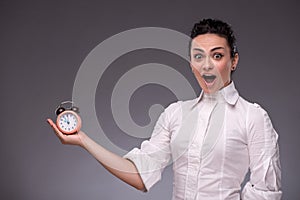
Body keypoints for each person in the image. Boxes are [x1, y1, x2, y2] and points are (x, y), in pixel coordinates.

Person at [47, 18, 282, 199]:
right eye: (198, 56)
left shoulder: (253, 117)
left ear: (234, 60)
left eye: (217, 55)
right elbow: (139, 175)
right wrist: (84, 140)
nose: (207, 65)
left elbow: (266, 192)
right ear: (191, 64)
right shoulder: (175, 114)